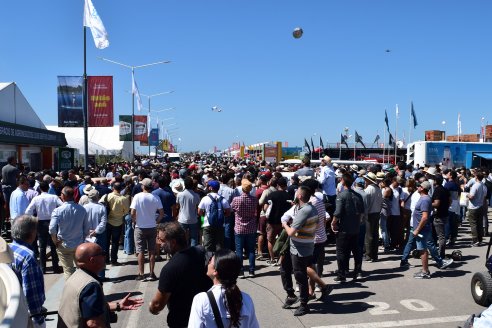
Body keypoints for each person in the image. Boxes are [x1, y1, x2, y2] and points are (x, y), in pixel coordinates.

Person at [57, 243, 143, 328]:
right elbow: (94, 324)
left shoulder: (76, 276)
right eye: (102, 254)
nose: (105, 256)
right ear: (92, 260)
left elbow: (89, 309)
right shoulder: (91, 285)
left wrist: (118, 305)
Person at [149, 222, 213, 328]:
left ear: (173, 242)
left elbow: (157, 305)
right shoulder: (201, 252)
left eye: (161, 240)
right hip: (205, 319)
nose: (158, 243)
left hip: (181, 321)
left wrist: (151, 307)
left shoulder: (169, 269)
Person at [188, 249, 260, 328]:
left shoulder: (201, 300)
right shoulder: (246, 299)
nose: (208, 263)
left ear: (215, 271)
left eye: (210, 261)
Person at [280, 186, 319, 316]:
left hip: (300, 249)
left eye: (297, 192)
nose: (295, 193)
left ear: (300, 196)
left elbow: (291, 232)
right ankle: (291, 295)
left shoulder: (305, 211)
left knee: (300, 275)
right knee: (285, 268)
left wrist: (285, 224)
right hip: (300, 246)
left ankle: (303, 304)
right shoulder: (311, 208)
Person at [9, 215, 46, 328]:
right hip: (27, 316)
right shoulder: (28, 257)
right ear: (31, 233)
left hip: (10, 310)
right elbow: (31, 292)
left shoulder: (7, 248)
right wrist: (38, 319)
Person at [412, 181, 453, 279]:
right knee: (425, 247)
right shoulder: (424, 198)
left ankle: (425, 272)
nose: (417, 187)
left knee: (423, 250)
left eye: (419, 186)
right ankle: (430, 267)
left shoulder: (425, 200)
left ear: (423, 188)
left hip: (422, 229)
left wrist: (417, 230)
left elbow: (425, 217)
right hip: (423, 228)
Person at [49, 186, 90, 280]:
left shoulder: (58, 210)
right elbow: (86, 228)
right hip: (79, 244)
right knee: (81, 269)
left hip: (64, 244)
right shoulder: (82, 209)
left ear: (63, 196)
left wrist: (55, 241)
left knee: (68, 270)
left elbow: (52, 228)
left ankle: (71, 291)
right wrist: (83, 240)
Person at [332, 173, 365, 282]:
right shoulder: (358, 195)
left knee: (341, 251)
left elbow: (337, 213)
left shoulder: (341, 196)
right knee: (356, 250)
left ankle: (342, 274)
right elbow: (361, 213)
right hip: (355, 228)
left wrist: (333, 223)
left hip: (344, 228)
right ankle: (358, 271)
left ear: (342, 181)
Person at [25, 181, 63, 274]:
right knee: (54, 245)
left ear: (40, 189)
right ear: (48, 188)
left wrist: (35, 218)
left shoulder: (36, 198)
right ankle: (55, 267)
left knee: (42, 247)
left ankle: (43, 268)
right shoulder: (54, 197)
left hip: (41, 223)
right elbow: (62, 206)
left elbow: (28, 211)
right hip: (53, 222)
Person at [130, 178, 164, 281]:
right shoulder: (156, 197)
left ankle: (141, 274)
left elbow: (132, 212)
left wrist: (135, 220)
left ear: (143, 186)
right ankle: (151, 273)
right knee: (152, 251)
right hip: (152, 226)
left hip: (140, 227)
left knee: (140, 251)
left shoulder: (137, 196)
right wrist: (156, 221)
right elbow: (161, 213)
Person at [230, 179, 258, 278]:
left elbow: (231, 209)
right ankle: (251, 270)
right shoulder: (255, 199)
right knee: (251, 250)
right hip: (251, 227)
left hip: (239, 227)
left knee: (239, 250)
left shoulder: (236, 199)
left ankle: (240, 271)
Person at [198, 180, 231, 252]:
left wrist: (205, 215)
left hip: (207, 224)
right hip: (220, 224)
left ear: (210, 188)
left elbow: (199, 211)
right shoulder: (223, 199)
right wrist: (221, 215)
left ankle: (208, 261)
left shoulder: (205, 198)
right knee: (219, 245)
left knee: (208, 246)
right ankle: (218, 261)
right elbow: (228, 212)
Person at [102, 182, 130, 266]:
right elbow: (126, 211)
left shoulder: (107, 196)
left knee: (106, 242)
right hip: (118, 222)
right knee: (115, 242)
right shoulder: (123, 199)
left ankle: (106, 259)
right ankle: (114, 260)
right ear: (121, 189)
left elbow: (101, 206)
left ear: (113, 188)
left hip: (107, 221)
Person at [363, 172, 383, 262]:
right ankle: (374, 255)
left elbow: (366, 204)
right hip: (377, 213)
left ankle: (368, 255)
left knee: (368, 236)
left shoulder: (368, 190)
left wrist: (364, 215)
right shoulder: (378, 189)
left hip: (370, 214)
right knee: (375, 235)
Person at [176, 177, 201, 246]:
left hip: (182, 219)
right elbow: (197, 207)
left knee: (182, 238)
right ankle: (193, 254)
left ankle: (184, 252)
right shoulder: (196, 196)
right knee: (194, 238)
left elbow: (177, 206)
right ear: (192, 185)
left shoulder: (179, 194)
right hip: (193, 219)